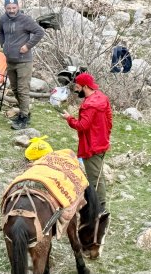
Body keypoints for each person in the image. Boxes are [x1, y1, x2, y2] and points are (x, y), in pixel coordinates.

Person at [60, 72, 112, 212]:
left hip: (91, 146)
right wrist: (106, 137)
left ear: (85, 86)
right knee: (98, 174)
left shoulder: (89, 105)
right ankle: (98, 204)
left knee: (94, 178)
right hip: (102, 142)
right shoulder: (102, 98)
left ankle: (99, 208)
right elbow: (109, 120)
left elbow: (82, 125)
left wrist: (69, 118)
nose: (76, 90)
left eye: (78, 87)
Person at [0, 0, 45, 130]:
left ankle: (24, 118)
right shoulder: (3, 19)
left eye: (14, 8)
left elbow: (39, 32)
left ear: (18, 6)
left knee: (23, 89)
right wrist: (3, 45)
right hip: (10, 60)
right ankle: (24, 112)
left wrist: (27, 46)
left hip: (24, 61)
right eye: (9, 8)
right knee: (14, 89)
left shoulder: (25, 19)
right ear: (5, 8)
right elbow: (0, 32)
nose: (11, 10)